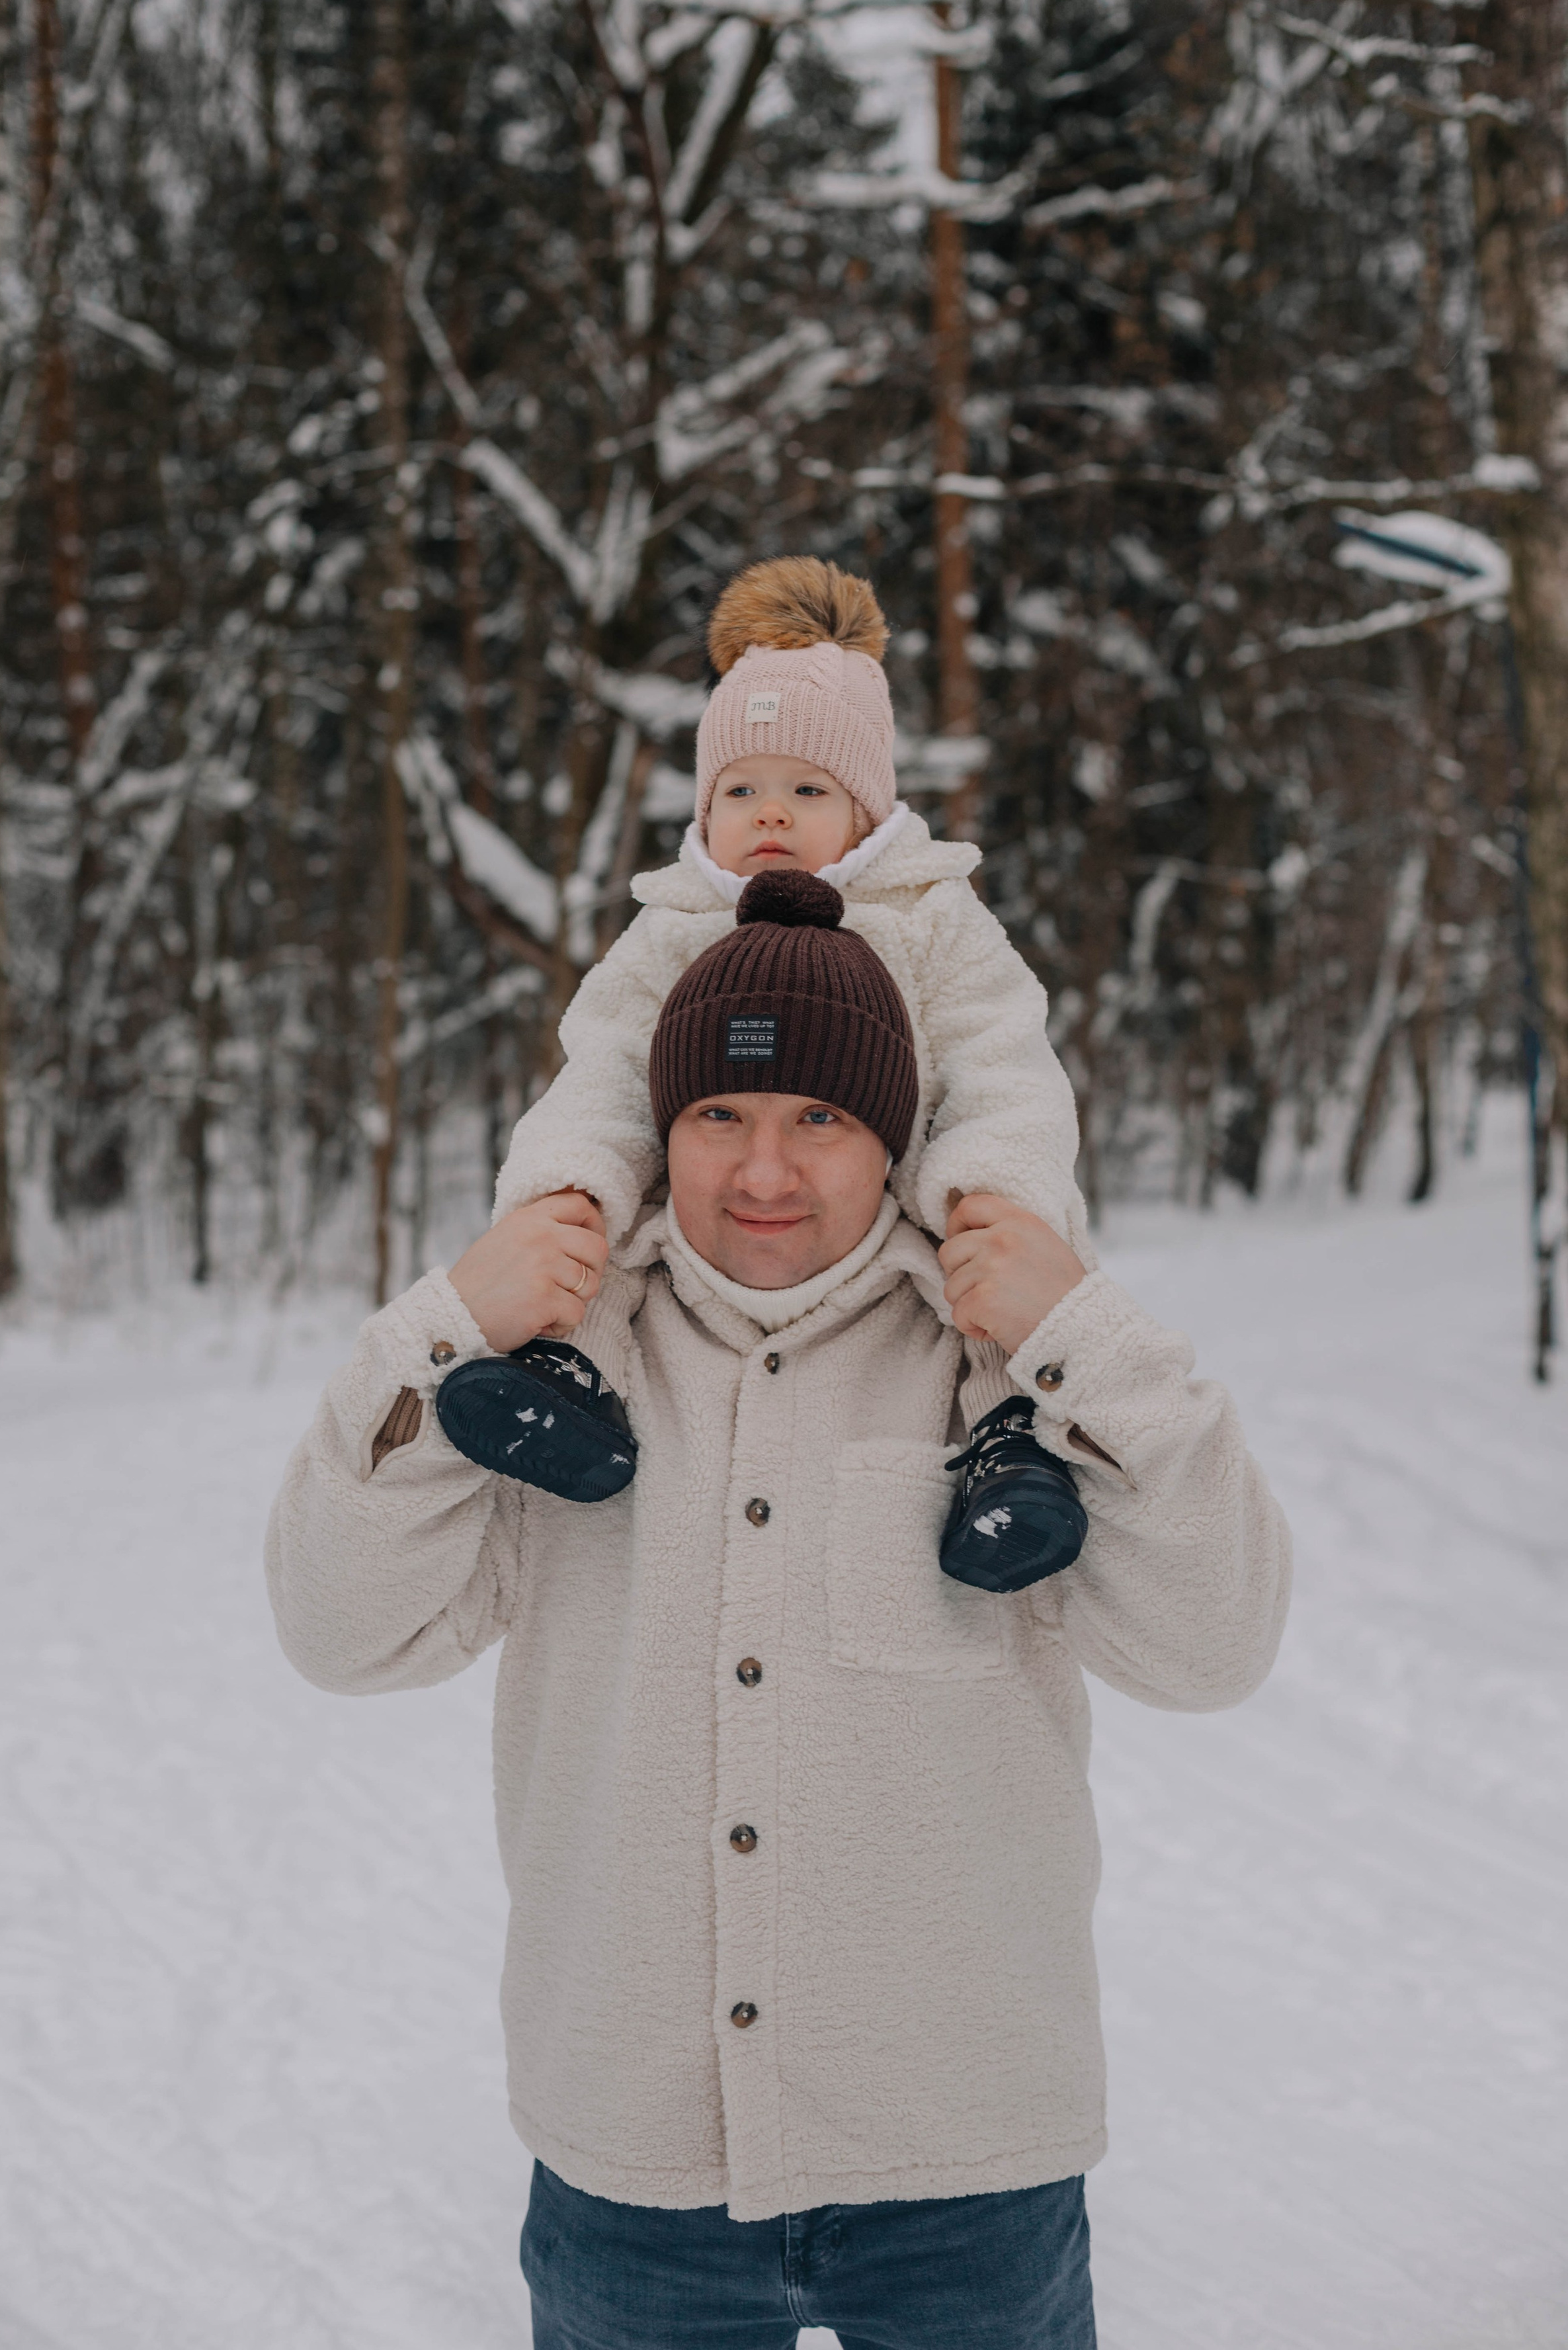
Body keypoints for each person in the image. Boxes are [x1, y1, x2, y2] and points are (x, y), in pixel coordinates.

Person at [266, 880, 1292, 2349]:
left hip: (966, 2170)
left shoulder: (1006, 1369)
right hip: (635, 2178)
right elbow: (338, 1632)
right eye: (717, 1119)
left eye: (819, 1118)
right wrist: (440, 1334)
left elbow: (1211, 1652)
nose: (764, 1172)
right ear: (656, 1134)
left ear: (895, 1138)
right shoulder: (564, 1371)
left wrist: (1089, 1338)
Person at [456, 555, 1087, 1509]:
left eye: (808, 790)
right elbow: (608, 1069)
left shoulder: (928, 914)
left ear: (867, 810)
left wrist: (992, 1186)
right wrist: (569, 1187)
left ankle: (1009, 1443)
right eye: (742, 792)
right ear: (706, 809)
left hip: (897, 1181)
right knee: (617, 1236)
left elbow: (1001, 1061)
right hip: (714, 1195)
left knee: (976, 1269)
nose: (771, 816)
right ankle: (570, 1382)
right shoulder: (674, 925)